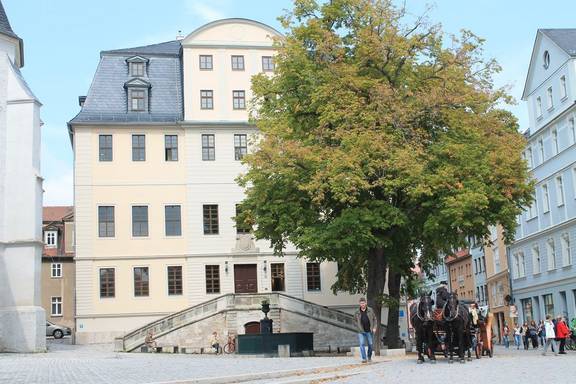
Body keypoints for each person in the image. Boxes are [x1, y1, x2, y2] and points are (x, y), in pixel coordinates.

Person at [354, 297, 377, 363]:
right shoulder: (357, 312)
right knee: (361, 344)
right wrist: (358, 326)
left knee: (370, 344)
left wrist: (374, 327)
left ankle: (369, 357)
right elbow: (354, 320)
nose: (362, 304)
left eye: (363, 303)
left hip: (369, 331)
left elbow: (374, 319)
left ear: (366, 303)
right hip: (361, 331)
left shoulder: (370, 310)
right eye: (361, 303)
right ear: (359, 304)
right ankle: (364, 358)